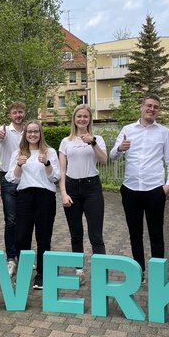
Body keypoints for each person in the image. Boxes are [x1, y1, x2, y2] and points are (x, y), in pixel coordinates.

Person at [109, 94, 169, 283]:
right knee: (135, 234)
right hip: (130, 189)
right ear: (141, 106)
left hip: (154, 189)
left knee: (156, 234)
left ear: (158, 110)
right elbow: (112, 156)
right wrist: (120, 149)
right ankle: (138, 272)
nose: (152, 109)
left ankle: (157, 275)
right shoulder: (127, 129)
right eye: (149, 105)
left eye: (156, 107)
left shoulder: (164, 132)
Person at [6, 120, 60, 290]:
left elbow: (55, 177)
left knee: (44, 238)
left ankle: (42, 275)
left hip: (45, 196)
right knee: (21, 237)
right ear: (25, 134)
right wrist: (19, 165)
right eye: (29, 132)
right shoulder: (18, 153)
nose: (33, 134)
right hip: (24, 196)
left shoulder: (49, 152)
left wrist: (47, 164)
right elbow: (12, 178)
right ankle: (23, 274)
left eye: (36, 131)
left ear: (40, 133)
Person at [58, 104, 107, 283]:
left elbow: (104, 160)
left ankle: (101, 273)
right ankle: (79, 271)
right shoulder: (66, 141)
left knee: (96, 234)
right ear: (74, 119)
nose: (82, 119)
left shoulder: (97, 139)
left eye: (85, 116)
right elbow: (62, 171)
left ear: (89, 119)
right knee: (76, 233)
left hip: (92, 187)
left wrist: (92, 142)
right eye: (79, 116)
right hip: (72, 188)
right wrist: (63, 192)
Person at [0, 101, 26, 276]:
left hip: (26, 177)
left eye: (20, 112)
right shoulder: (5, 130)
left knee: (25, 220)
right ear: (10, 115)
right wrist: (0, 134)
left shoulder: (29, 129)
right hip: (8, 178)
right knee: (11, 220)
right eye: (15, 112)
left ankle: (24, 256)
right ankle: (11, 258)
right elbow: (0, 137)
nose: (18, 115)